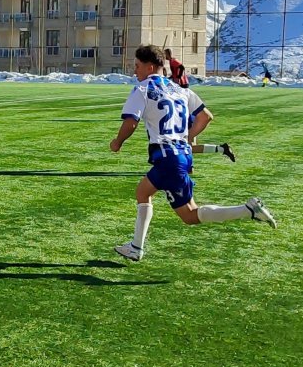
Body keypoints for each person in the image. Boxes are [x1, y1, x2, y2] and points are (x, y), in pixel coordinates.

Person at [111, 45, 275, 263]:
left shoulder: (143, 89)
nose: (135, 72)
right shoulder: (180, 90)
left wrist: (117, 142)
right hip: (179, 155)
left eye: (137, 66)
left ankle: (248, 210)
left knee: (189, 215)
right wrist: (186, 138)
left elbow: (131, 122)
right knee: (143, 192)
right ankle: (136, 247)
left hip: (168, 159)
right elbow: (205, 116)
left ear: (150, 67)